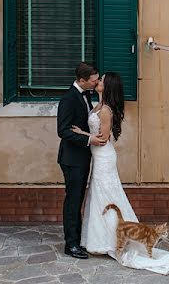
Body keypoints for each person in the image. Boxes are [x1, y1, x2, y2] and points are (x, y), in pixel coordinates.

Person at [73, 72, 169, 275]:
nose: (99, 82)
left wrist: (81, 133)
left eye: (102, 80)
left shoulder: (105, 111)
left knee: (107, 195)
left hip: (104, 157)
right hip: (98, 158)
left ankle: (114, 240)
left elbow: (103, 139)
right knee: (99, 196)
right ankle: (102, 238)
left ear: (108, 85)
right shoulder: (98, 105)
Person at [57, 62, 106, 259]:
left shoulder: (86, 95)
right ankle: (71, 244)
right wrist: (89, 139)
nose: (96, 83)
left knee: (78, 200)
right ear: (82, 80)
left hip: (82, 157)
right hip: (72, 159)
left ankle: (77, 239)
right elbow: (63, 130)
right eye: (94, 81)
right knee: (73, 201)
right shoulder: (69, 98)